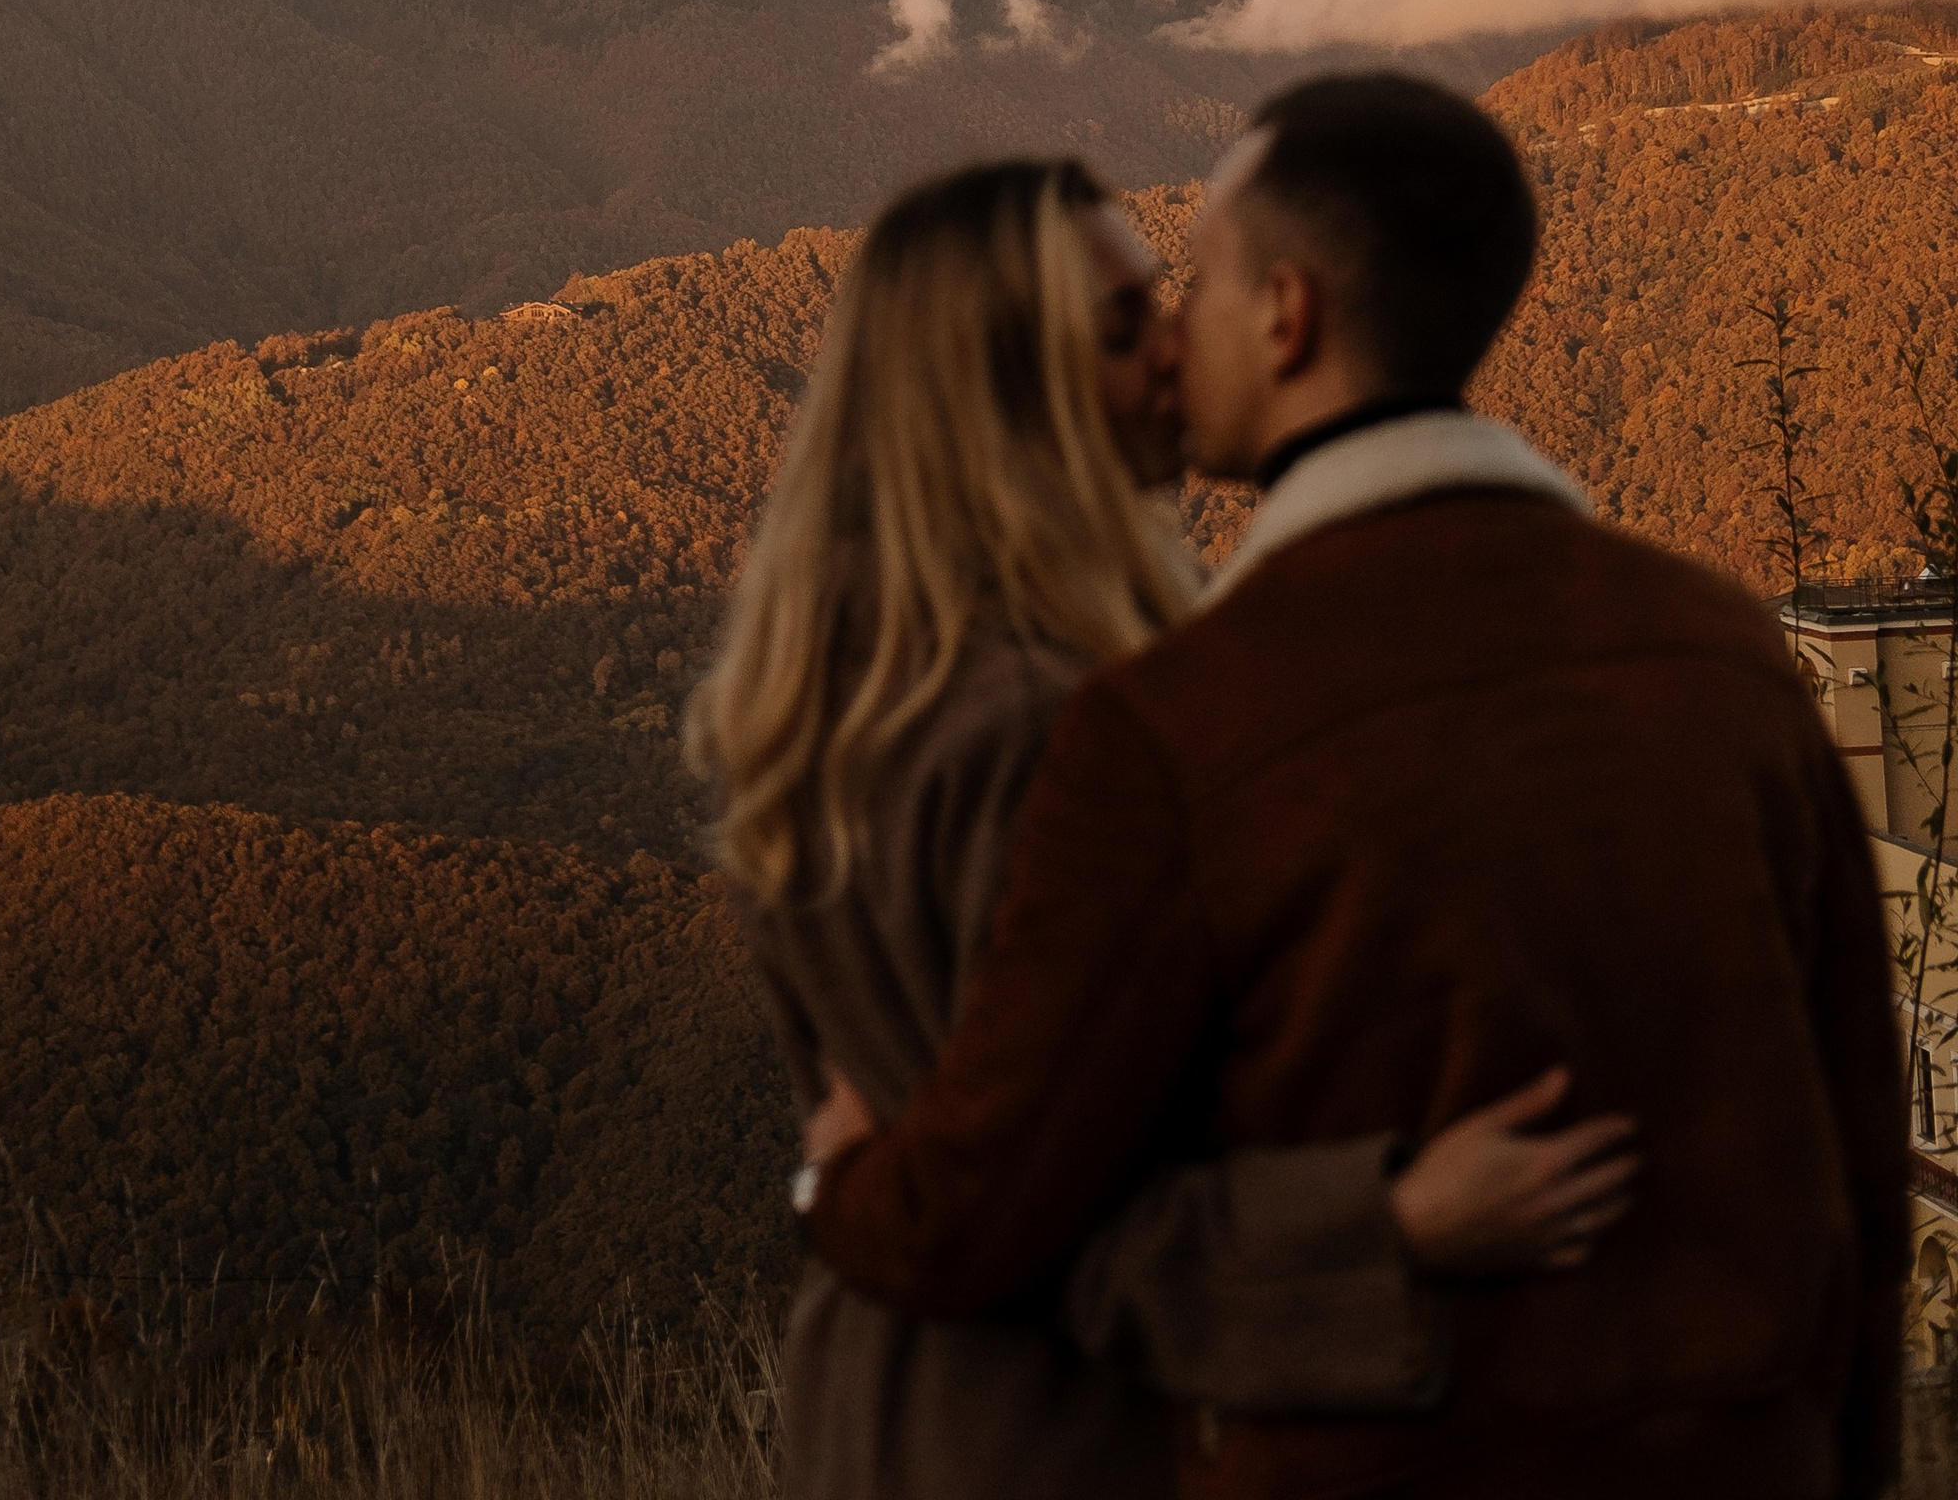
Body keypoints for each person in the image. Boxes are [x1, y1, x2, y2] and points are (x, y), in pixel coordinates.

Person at [799, 81, 1911, 1500]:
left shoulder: (1180, 725)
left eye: (1195, 281)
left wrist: (839, 1182)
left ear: (1286, 316)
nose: (1171, 333)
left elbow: (989, 1210)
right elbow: (1862, 1176)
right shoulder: (1727, 652)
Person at [689, 154, 1639, 1500]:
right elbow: (1058, 1229)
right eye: (1123, 325)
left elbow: (952, 1171)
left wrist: (843, 1196)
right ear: (1002, 392)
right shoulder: (1045, 732)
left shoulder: (831, 709)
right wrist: (1396, 1222)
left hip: (882, 1403)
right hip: (1060, 1433)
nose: (1174, 348)